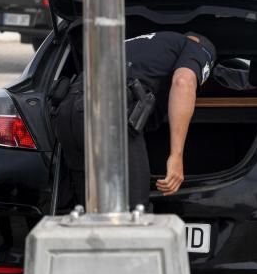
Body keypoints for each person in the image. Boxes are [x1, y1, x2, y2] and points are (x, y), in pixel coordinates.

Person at [50, 31, 216, 209]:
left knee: (89, 210)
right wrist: (176, 156)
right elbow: (183, 81)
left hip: (67, 113)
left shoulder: (128, 44)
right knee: (135, 212)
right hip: (109, 116)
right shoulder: (195, 46)